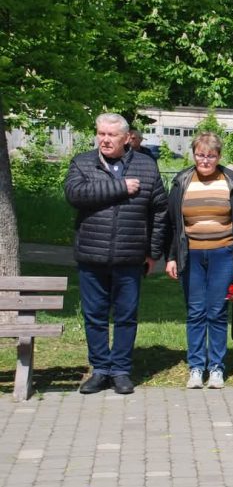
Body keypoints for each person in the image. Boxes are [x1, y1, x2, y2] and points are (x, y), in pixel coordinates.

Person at [64, 113, 168, 395]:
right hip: (91, 256)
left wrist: (153, 252)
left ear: (126, 138)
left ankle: (120, 370)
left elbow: (160, 211)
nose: (105, 140)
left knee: (126, 316)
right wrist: (120, 187)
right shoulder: (83, 162)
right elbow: (75, 194)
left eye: (111, 135)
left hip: (130, 256)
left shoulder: (146, 166)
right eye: (101, 134)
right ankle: (100, 370)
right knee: (95, 316)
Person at [165, 132, 233, 389]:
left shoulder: (231, 182)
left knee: (216, 311)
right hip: (190, 255)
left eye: (211, 156)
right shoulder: (182, 182)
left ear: (218, 156)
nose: (205, 160)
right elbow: (173, 224)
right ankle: (196, 367)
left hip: (223, 254)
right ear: (194, 155)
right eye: (200, 155)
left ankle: (216, 368)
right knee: (195, 311)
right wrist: (171, 257)